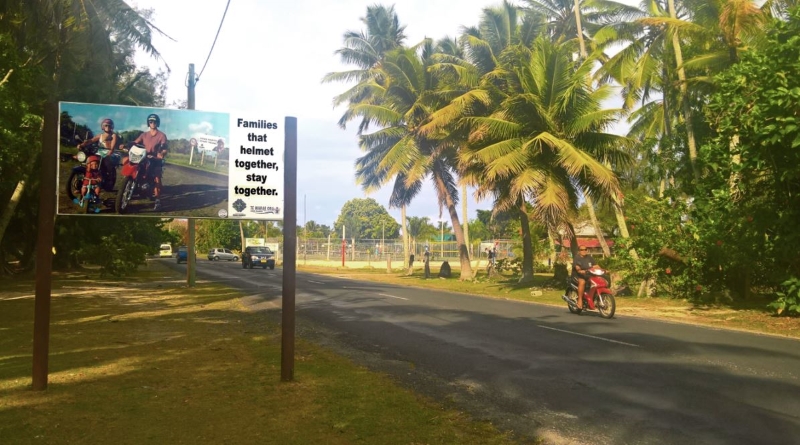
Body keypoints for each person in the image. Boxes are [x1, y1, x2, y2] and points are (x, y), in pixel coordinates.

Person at [131, 113, 168, 210]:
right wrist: (128, 145)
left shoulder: (162, 135)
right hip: (144, 157)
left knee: (157, 178)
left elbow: (164, 148)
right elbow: (136, 142)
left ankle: (158, 200)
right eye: (151, 121)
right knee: (134, 168)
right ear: (148, 123)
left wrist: (162, 154)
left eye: (154, 122)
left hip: (156, 159)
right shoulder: (144, 135)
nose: (153, 123)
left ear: (157, 123)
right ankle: (131, 187)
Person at [79, 118, 119, 190]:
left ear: (112, 127)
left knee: (107, 163)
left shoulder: (113, 135)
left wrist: (111, 150)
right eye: (106, 125)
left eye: (109, 125)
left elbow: (113, 144)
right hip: (99, 152)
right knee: (90, 159)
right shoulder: (100, 135)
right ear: (102, 126)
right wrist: (82, 144)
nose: (107, 127)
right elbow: (91, 140)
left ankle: (108, 179)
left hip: (108, 152)